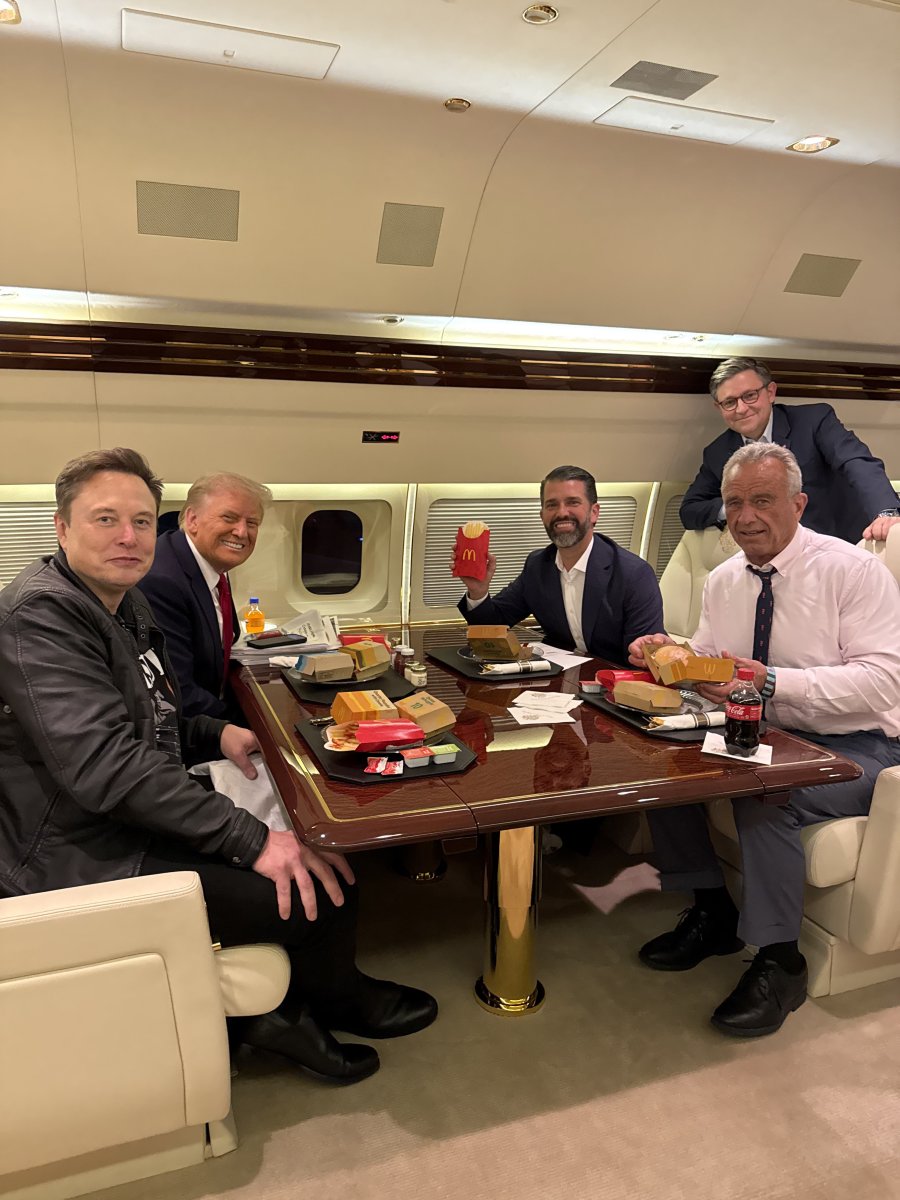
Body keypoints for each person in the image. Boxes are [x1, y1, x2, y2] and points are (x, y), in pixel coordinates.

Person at [0, 448, 437, 1085]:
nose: (129, 536)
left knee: (320, 846)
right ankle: (309, 1011)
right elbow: (106, 766)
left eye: (144, 521)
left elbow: (154, 713)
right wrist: (250, 839)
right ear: (63, 528)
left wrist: (218, 733)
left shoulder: (121, 603)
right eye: (106, 519)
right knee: (316, 880)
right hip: (76, 850)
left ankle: (297, 1004)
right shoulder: (40, 616)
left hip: (119, 820)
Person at [629, 442, 900, 1037]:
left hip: (859, 747)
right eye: (734, 503)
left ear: (798, 504)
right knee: (662, 768)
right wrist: (666, 652)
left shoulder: (853, 572)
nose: (746, 516)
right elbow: (709, 657)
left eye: (762, 500)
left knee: (765, 792)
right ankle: (711, 909)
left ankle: (781, 961)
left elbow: (883, 682)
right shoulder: (725, 579)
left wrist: (773, 681)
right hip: (765, 730)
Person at [456, 465, 664, 665]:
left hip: (611, 687)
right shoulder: (537, 566)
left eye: (573, 502)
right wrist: (478, 591)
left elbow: (643, 657)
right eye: (552, 505)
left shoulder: (633, 574)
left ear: (594, 513)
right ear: (542, 516)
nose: (561, 512)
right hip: (558, 683)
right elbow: (492, 628)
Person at [680, 357, 900, 544]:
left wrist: (886, 512)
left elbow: (857, 463)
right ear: (719, 408)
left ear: (771, 392)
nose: (741, 408)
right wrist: (737, 506)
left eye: (749, 396)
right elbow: (689, 510)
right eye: (729, 402)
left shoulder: (814, 421)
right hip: (776, 557)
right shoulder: (718, 452)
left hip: (843, 542)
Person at [139, 472, 270, 721]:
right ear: (192, 519)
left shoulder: (212, 566)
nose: (242, 532)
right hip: (186, 733)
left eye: (251, 523)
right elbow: (177, 693)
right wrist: (253, 725)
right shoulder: (163, 581)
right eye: (229, 518)